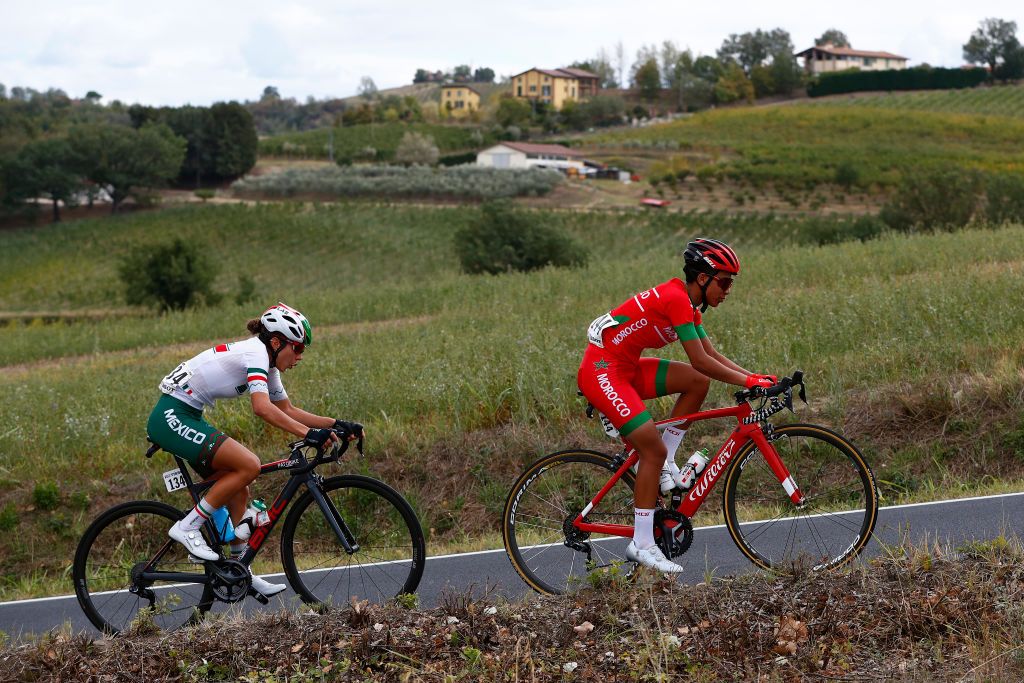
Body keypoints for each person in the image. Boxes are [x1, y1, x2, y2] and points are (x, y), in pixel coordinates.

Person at [577, 238, 776, 573]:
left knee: (697, 384)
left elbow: (709, 356)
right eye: (724, 282)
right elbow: (699, 358)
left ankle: (667, 462)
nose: (727, 291)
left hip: (626, 368)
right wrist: (746, 383)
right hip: (602, 371)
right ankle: (642, 543)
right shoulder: (675, 299)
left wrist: (755, 377)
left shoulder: (689, 305)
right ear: (703, 278)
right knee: (650, 451)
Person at [147, 302, 350, 597]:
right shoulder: (255, 352)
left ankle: (239, 569)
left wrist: (337, 425)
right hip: (171, 417)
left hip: (189, 415)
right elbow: (262, 408)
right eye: (298, 348)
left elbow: (287, 409)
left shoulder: (266, 362)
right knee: (249, 465)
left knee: (238, 487)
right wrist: (309, 434)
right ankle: (187, 527)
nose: (300, 356)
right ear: (277, 342)